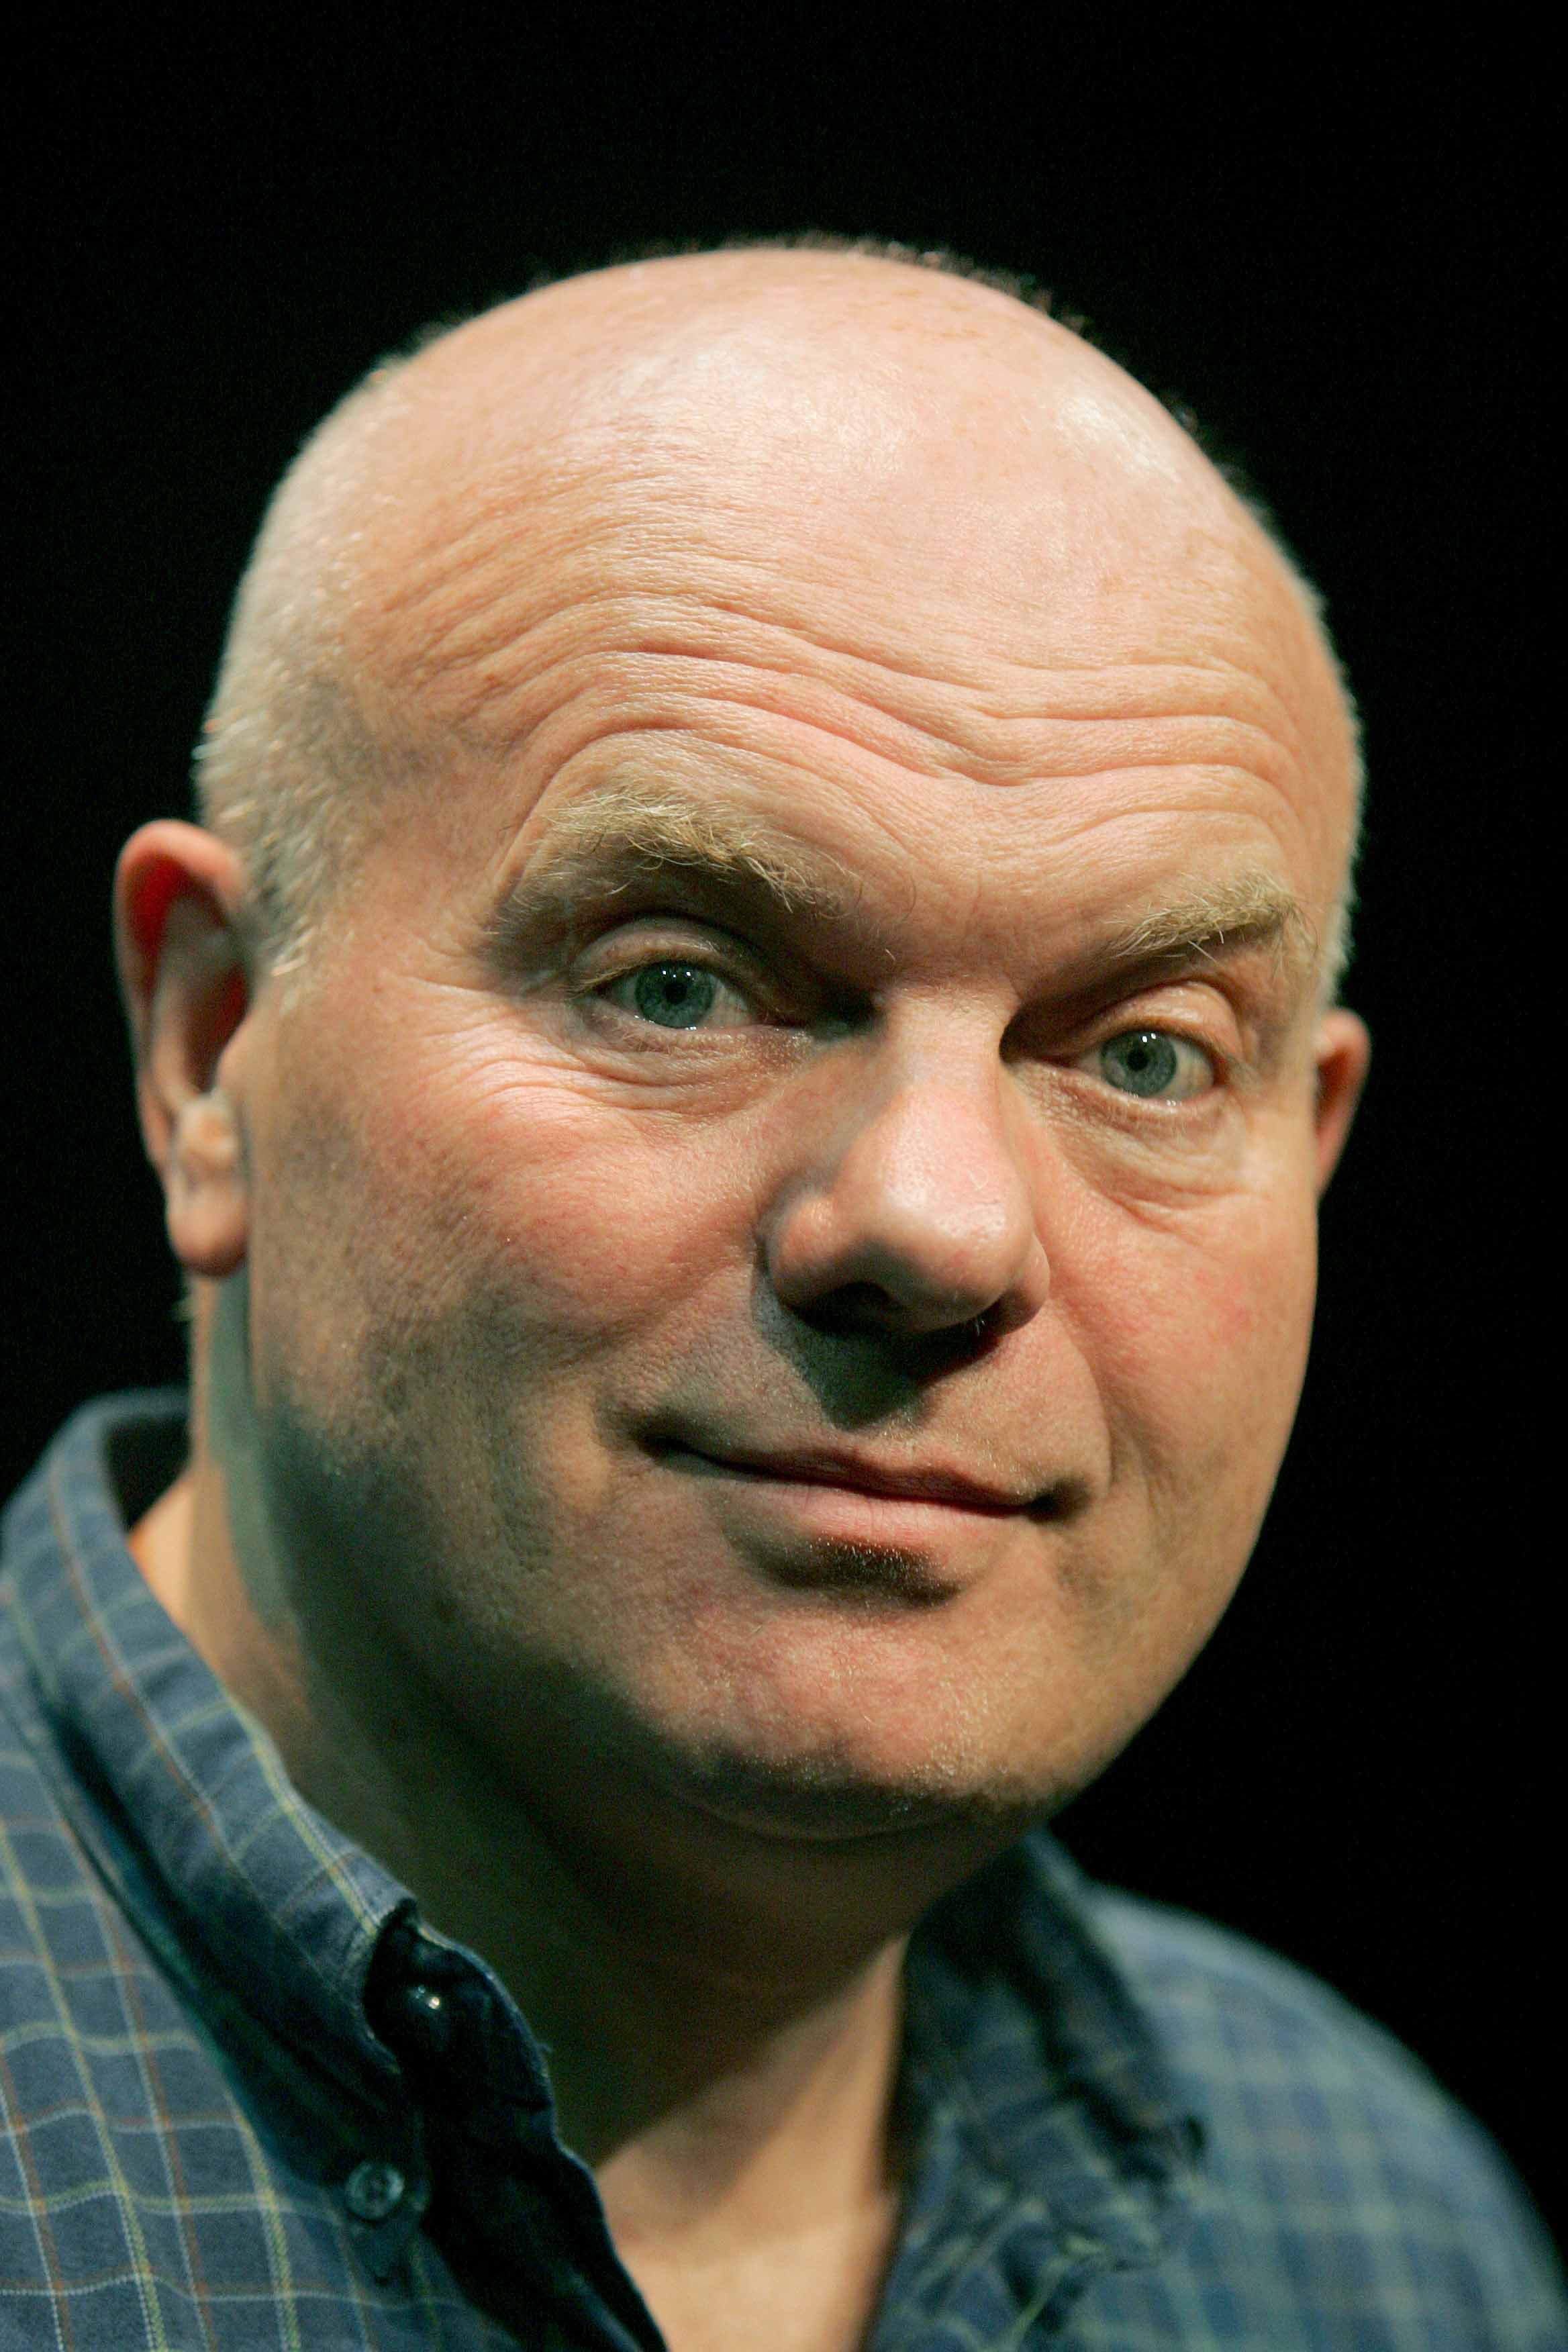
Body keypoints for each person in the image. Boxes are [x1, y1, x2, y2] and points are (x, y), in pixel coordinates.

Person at [0, 234, 1560, 2352]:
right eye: (679, 985)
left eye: (1145, 1055)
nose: (940, 1226)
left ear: (1312, 1145)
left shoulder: (1370, 2238)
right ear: (212, 1047)